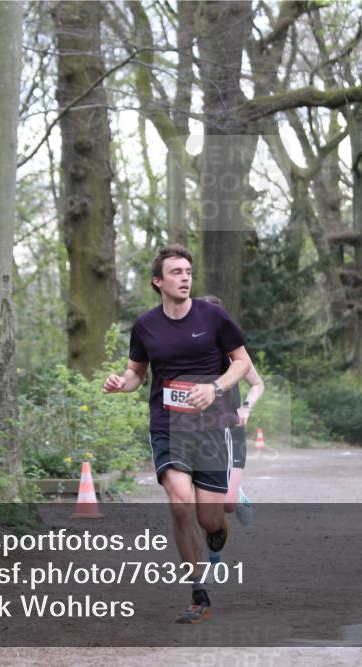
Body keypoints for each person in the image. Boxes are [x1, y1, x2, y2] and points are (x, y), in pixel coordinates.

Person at [103, 244, 252, 624]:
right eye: (176, 272)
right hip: (169, 425)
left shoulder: (213, 316)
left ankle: (218, 529)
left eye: (188, 271)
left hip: (211, 427)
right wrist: (123, 383)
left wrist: (216, 389)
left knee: (208, 518)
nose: (185, 277)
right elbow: (137, 371)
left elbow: (242, 363)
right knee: (179, 502)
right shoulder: (146, 326)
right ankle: (198, 594)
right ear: (158, 281)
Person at [198, 295, 264, 528]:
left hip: (231, 429)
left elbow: (257, 384)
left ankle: (239, 496)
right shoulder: (190, 352)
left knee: (228, 505)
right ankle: (213, 560)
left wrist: (246, 407)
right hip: (200, 431)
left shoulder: (235, 353)